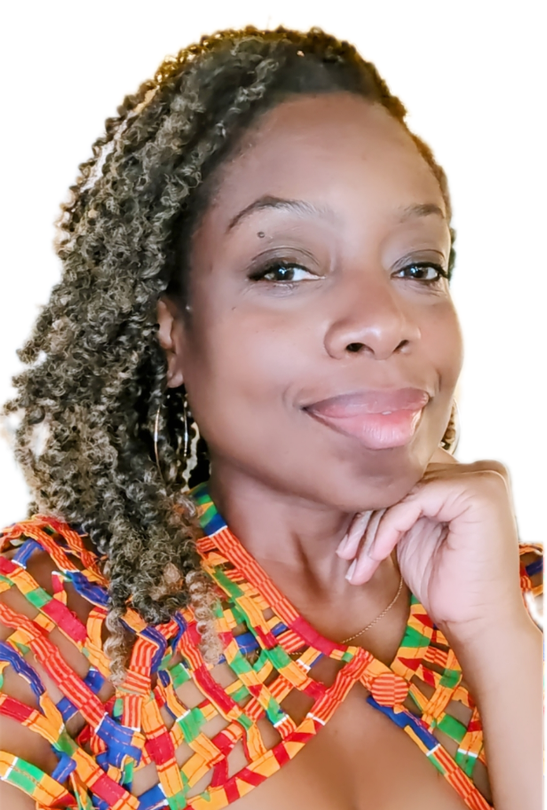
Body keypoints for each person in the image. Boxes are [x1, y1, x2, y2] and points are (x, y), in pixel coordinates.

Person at [0, 25, 542, 810]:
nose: (382, 319)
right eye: (283, 267)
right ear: (173, 334)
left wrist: (495, 634)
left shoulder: (523, 604)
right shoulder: (51, 622)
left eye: (417, 266)